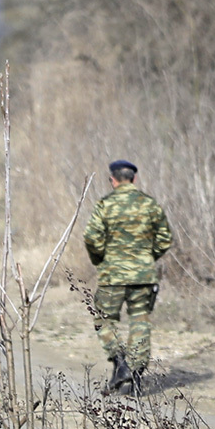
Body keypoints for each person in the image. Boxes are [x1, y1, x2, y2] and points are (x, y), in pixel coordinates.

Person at [84, 160, 173, 396]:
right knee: (140, 322)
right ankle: (133, 374)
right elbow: (165, 238)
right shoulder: (150, 204)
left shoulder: (105, 205)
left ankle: (120, 361)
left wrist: (101, 258)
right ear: (134, 179)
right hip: (143, 276)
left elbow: (91, 238)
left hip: (112, 275)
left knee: (104, 319)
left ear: (113, 179)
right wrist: (146, 257)